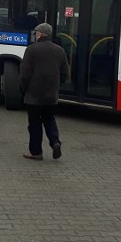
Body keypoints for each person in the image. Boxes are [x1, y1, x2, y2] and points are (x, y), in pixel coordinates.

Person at [20, 22, 69, 161]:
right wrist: (56, 86)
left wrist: (23, 89)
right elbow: (65, 72)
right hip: (51, 94)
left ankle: (36, 152)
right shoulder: (60, 50)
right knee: (49, 119)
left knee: (34, 123)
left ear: (40, 34)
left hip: (34, 95)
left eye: (36, 33)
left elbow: (25, 73)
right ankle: (55, 142)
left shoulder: (32, 49)